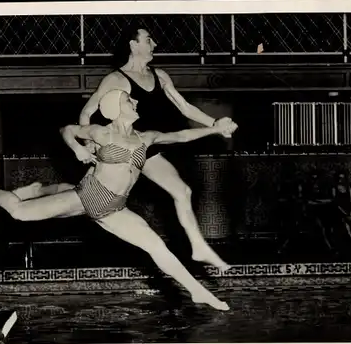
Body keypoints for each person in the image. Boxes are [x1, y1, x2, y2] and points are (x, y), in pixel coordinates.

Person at [0, 89, 238, 311]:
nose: (135, 102)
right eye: (129, 100)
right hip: (87, 196)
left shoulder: (145, 137)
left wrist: (214, 128)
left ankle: (197, 291)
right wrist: (77, 149)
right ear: (116, 109)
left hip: (115, 209)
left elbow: (182, 136)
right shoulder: (102, 133)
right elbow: (67, 130)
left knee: (156, 247)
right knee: (18, 212)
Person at [78, 26, 234, 270]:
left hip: (147, 149)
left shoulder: (159, 75)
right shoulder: (117, 79)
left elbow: (185, 108)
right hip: (123, 151)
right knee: (90, 201)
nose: (155, 44)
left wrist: (215, 124)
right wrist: (87, 145)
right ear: (133, 45)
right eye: (148, 40)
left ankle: (198, 247)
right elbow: (87, 112)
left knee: (182, 192)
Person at [331, 171, 351, 250]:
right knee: (347, 226)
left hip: (349, 209)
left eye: (343, 177)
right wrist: (344, 212)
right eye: (340, 177)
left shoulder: (349, 187)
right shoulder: (334, 188)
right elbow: (336, 203)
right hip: (339, 211)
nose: (341, 179)